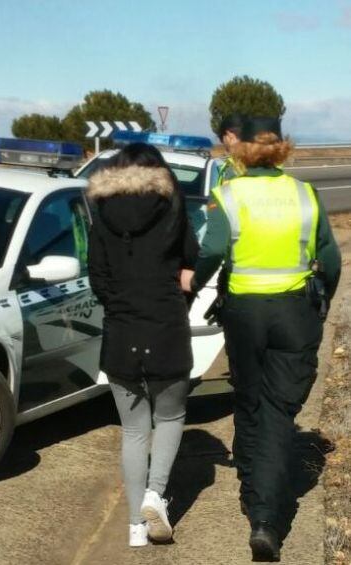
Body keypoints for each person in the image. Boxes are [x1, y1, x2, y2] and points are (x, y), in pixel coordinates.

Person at [186, 117, 342, 561]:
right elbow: (330, 259)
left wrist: (191, 286)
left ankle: (256, 498)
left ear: (241, 152)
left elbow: (213, 251)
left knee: (250, 399)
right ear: (281, 149)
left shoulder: (229, 195)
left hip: (244, 315)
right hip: (294, 314)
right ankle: (265, 515)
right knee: (277, 412)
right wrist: (321, 302)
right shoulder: (304, 194)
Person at [87, 142, 199, 547]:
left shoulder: (99, 211)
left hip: (121, 332)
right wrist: (178, 299)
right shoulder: (172, 203)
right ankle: (156, 493)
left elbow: (97, 276)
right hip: (166, 327)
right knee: (169, 418)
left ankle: (136, 525)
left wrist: (119, 304)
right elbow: (191, 259)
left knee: (134, 431)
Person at [213, 113, 247, 187]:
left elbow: (225, 196)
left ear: (229, 136)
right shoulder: (258, 161)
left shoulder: (237, 167)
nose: (222, 142)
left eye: (222, 137)